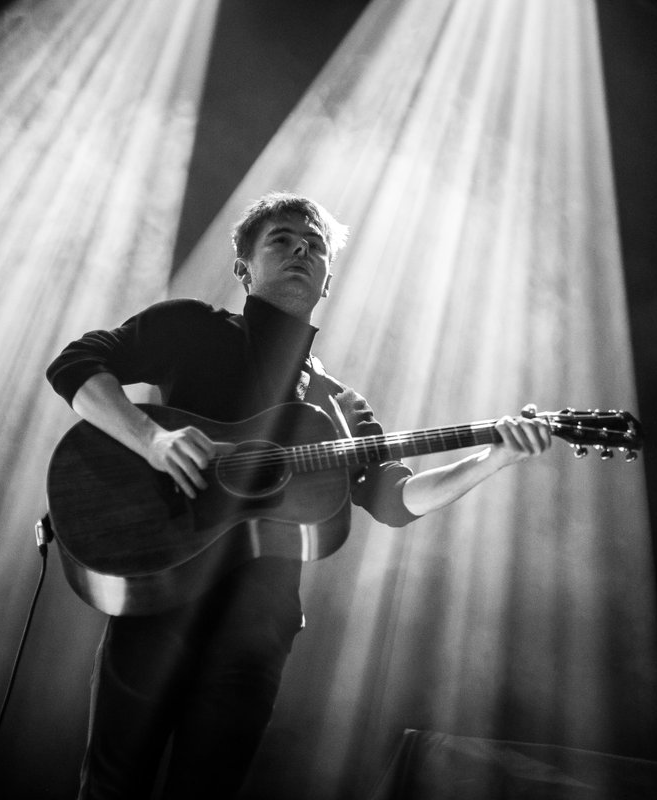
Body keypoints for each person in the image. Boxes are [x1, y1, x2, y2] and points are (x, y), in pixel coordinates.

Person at [46, 191, 552, 799]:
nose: (301, 250)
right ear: (244, 267)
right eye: (281, 239)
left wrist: (494, 455)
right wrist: (152, 441)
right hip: (159, 592)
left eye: (314, 245)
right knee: (110, 792)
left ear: (327, 280)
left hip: (256, 629)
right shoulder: (188, 327)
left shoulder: (339, 404)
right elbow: (75, 364)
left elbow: (395, 500)